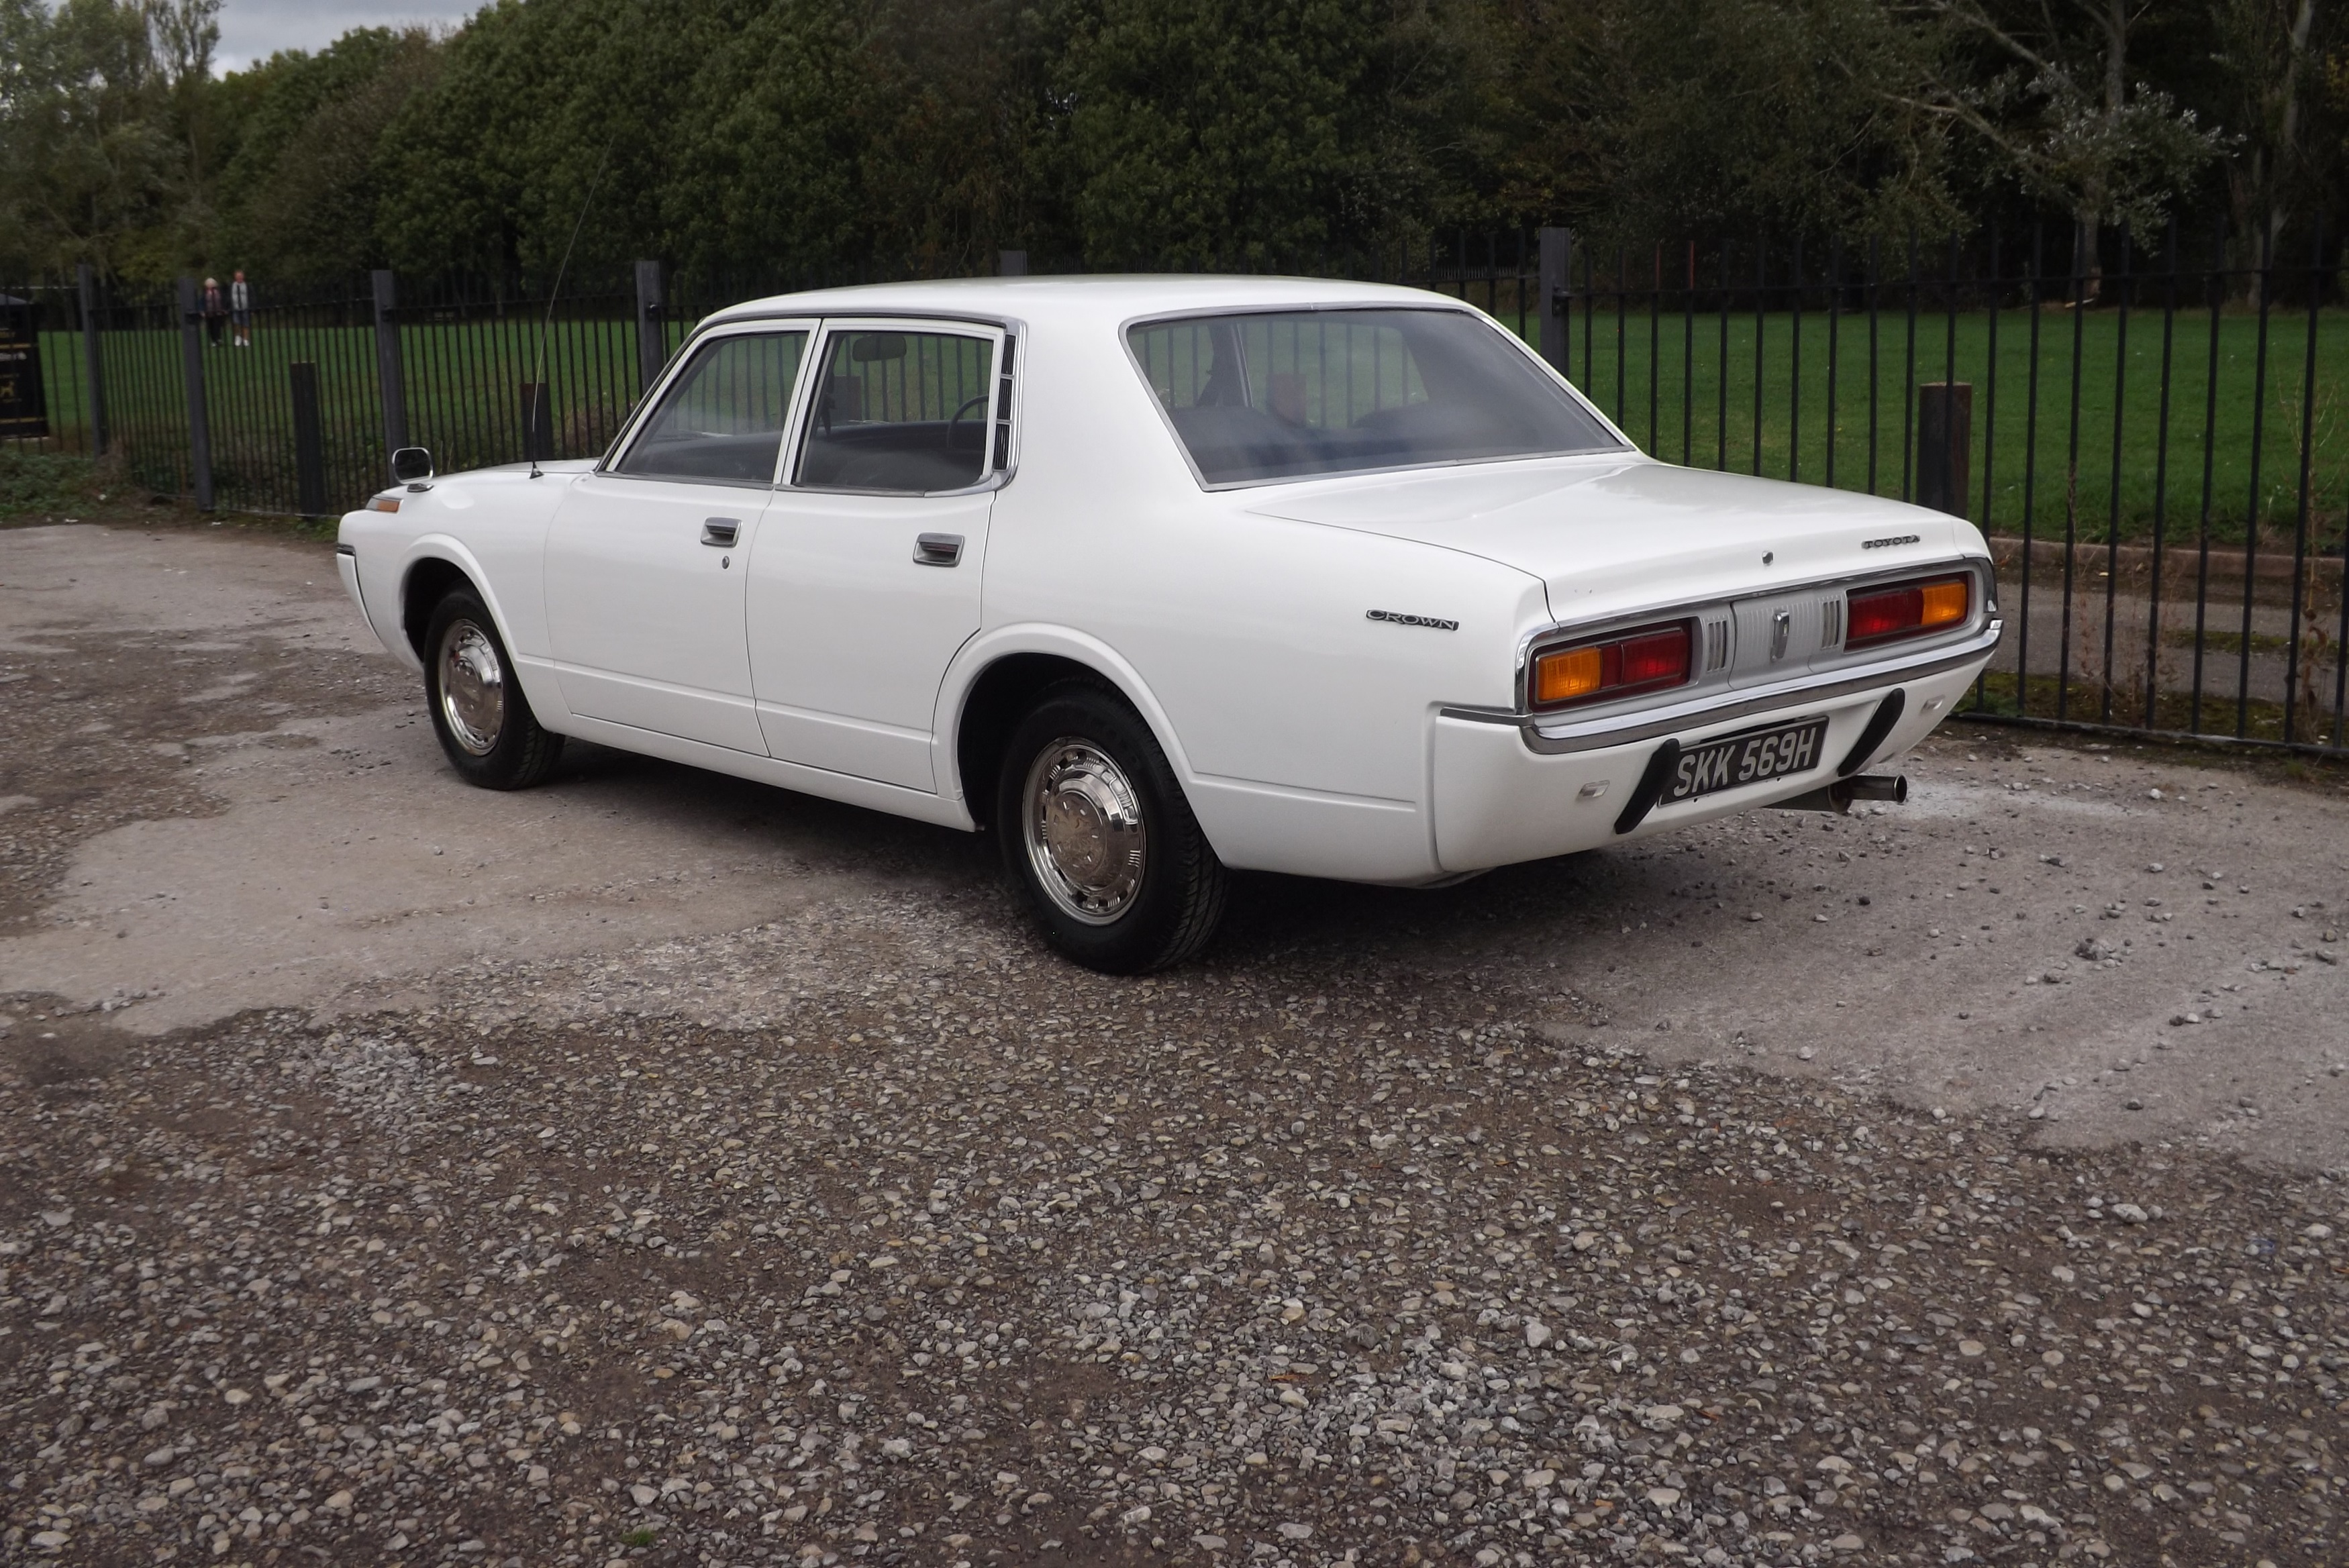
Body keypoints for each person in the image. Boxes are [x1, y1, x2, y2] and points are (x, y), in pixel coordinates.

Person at [201, 278, 226, 347]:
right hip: (209, 313)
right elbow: (202, 302)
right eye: (209, 284)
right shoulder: (205, 293)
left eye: (212, 284)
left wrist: (224, 309)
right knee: (211, 327)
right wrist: (202, 311)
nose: (210, 286)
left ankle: (218, 339)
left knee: (217, 326)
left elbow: (222, 301)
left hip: (218, 312)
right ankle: (214, 340)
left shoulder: (218, 292)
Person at [230, 270, 251, 348]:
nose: (239, 278)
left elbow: (251, 296)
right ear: (235, 277)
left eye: (241, 276)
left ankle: (245, 339)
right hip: (235, 308)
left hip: (245, 308)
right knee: (236, 323)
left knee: (246, 324)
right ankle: (238, 337)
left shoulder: (247, 285)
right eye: (238, 276)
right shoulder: (232, 285)